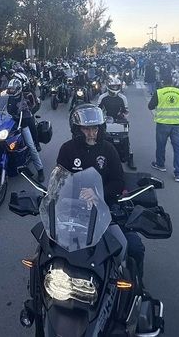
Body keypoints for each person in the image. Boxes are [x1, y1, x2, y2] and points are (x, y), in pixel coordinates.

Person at [56, 104, 145, 278]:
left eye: (95, 129)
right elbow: (59, 180)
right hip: (72, 208)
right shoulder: (67, 149)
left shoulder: (108, 149)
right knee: (45, 249)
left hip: (104, 208)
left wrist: (98, 194)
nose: (91, 133)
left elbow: (118, 181)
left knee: (134, 247)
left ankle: (137, 285)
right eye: (86, 129)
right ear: (77, 129)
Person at [148, 72, 179, 182]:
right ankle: (178, 174)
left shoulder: (159, 92)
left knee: (161, 145)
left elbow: (150, 106)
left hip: (162, 124)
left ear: (162, 82)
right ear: (172, 82)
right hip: (177, 124)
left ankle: (160, 164)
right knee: (178, 149)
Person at [6, 78, 45, 182]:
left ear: (18, 89)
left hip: (23, 123)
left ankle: (40, 170)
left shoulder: (26, 96)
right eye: (10, 89)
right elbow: (1, 108)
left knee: (31, 146)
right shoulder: (8, 98)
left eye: (12, 89)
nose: (11, 91)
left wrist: (27, 108)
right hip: (10, 124)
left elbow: (33, 105)